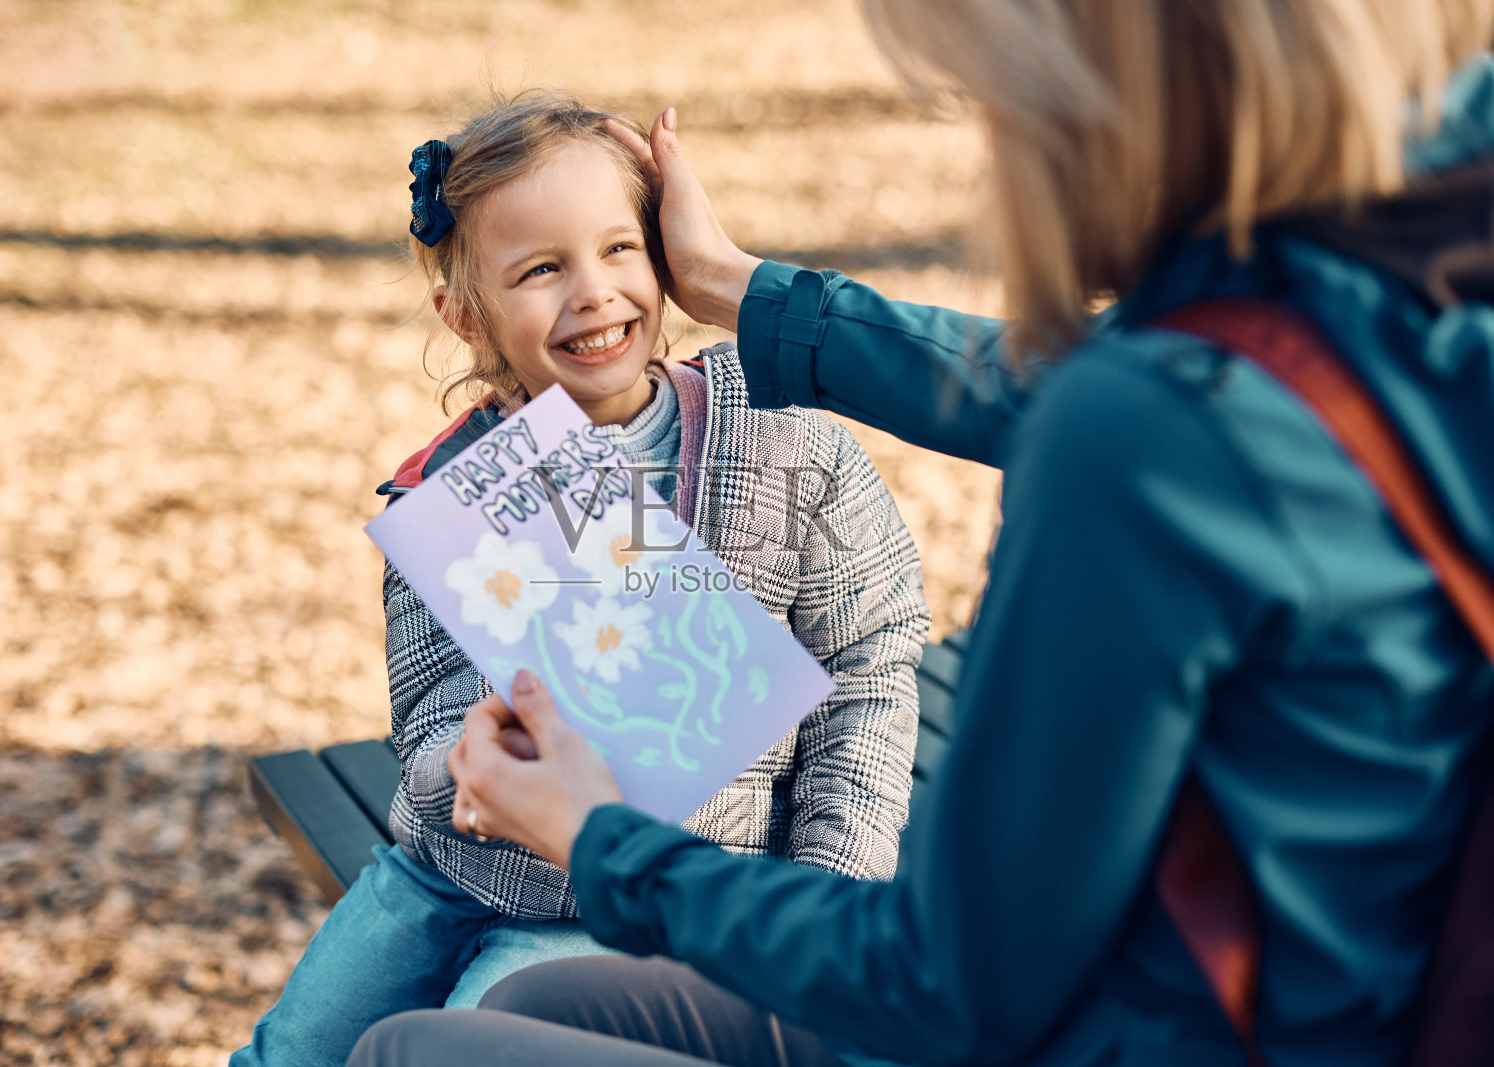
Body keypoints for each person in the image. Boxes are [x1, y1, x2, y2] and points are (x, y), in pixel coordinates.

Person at [344, 3, 1494, 1066]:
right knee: (543, 1009)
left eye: (985, 95)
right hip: (1323, 983)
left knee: (410, 1053)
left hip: (1135, 1021)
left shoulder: (1148, 436)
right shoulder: (1420, 269)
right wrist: (741, 287)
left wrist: (603, 841)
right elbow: (1161, 396)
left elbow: (946, 978)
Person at [231, 92, 931, 1067]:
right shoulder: (454, 489)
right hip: (446, 876)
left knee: (469, 1040)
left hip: (654, 893)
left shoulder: (786, 440)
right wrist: (464, 763)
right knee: (291, 1052)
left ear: (665, 256)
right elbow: (428, 730)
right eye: (540, 269)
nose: (592, 293)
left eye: (617, 250)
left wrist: (826, 893)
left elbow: (868, 668)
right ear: (465, 314)